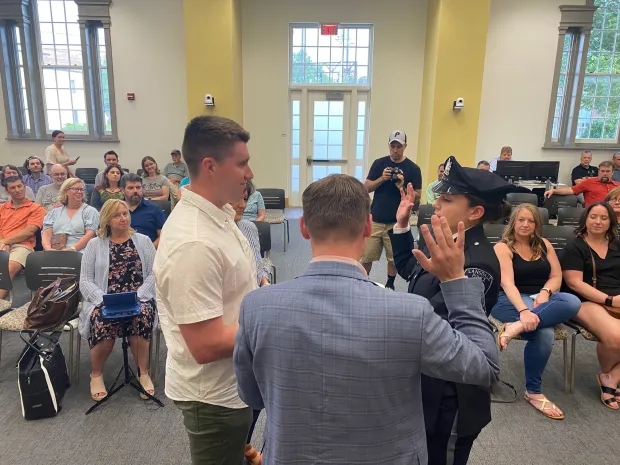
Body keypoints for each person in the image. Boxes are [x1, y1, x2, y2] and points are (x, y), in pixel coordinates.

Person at [233, 173, 500, 465]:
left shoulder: (256, 307)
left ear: (304, 228)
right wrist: (457, 283)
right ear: (368, 226)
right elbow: (484, 367)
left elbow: (253, 397)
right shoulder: (412, 313)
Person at [388, 155, 524, 465]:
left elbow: (448, 328)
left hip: (451, 397)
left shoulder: (476, 263)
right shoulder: (443, 238)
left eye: (447, 199)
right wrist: (400, 224)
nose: (436, 204)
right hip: (426, 382)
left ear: (475, 212)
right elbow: (412, 270)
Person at [154, 116, 255, 465]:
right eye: (241, 163)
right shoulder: (194, 241)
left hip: (234, 384)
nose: (250, 173)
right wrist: (272, 322)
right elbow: (205, 344)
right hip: (214, 397)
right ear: (210, 166)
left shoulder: (219, 214)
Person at [491, 204, 581, 420]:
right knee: (544, 332)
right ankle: (534, 391)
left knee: (572, 301)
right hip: (508, 299)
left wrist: (545, 292)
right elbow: (507, 284)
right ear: (513, 222)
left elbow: (556, 276)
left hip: (540, 297)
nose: (525, 224)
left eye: (531, 221)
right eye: (521, 219)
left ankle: (515, 328)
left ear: (537, 224)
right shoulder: (503, 247)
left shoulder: (544, 245)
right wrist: (524, 311)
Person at [79, 199, 157, 402]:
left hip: (139, 297)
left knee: (142, 316)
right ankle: (96, 374)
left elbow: (154, 274)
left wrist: (138, 297)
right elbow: (85, 280)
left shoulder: (143, 241)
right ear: (107, 220)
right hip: (104, 299)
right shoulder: (94, 245)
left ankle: (143, 372)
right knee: (102, 320)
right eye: (117, 215)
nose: (123, 218)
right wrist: (102, 300)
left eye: (125, 214)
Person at [560, 202, 620, 409]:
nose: (598, 221)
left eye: (604, 218)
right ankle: (609, 377)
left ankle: (611, 377)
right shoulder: (575, 247)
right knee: (616, 337)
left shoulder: (617, 245)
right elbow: (574, 283)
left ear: (611, 222)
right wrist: (609, 300)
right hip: (585, 301)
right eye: (593, 216)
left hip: (617, 299)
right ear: (585, 219)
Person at [361, 130, 423, 289]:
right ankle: (362, 282)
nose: (395, 150)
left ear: (405, 146)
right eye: (393, 146)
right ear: (389, 145)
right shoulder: (379, 164)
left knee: (393, 258)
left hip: (397, 222)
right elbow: (366, 188)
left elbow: (418, 195)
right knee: (366, 256)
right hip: (376, 218)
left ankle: (390, 283)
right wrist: (382, 178)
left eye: (399, 146)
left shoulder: (413, 169)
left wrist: (402, 186)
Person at [0, 176, 46, 301]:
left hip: (23, 246)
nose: (17, 190)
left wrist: (5, 242)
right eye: (13, 188)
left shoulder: (36, 209)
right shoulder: (1, 208)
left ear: (24, 187)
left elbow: (29, 232)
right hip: (2, 243)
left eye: (19, 186)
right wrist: (3, 243)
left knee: (8, 268)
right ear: (7, 191)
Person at [41, 178, 98, 252]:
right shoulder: (54, 213)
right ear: (65, 191)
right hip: (55, 251)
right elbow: (46, 234)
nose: (79, 192)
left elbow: (90, 235)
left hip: (81, 252)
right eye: (75, 189)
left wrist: (73, 249)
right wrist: (48, 248)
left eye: (82, 189)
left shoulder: (90, 211)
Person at [545, 161, 619, 207]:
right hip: (593, 214)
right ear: (599, 172)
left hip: (613, 214)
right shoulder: (589, 182)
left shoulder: (617, 186)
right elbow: (571, 190)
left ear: (612, 173)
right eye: (602, 171)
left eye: (607, 171)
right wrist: (554, 191)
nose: (605, 174)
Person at [121, 173, 167, 248]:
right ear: (123, 190)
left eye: (138, 187)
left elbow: (163, 236)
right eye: (130, 188)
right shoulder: (115, 209)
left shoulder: (154, 209)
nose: (135, 191)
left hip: (148, 252)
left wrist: (147, 251)